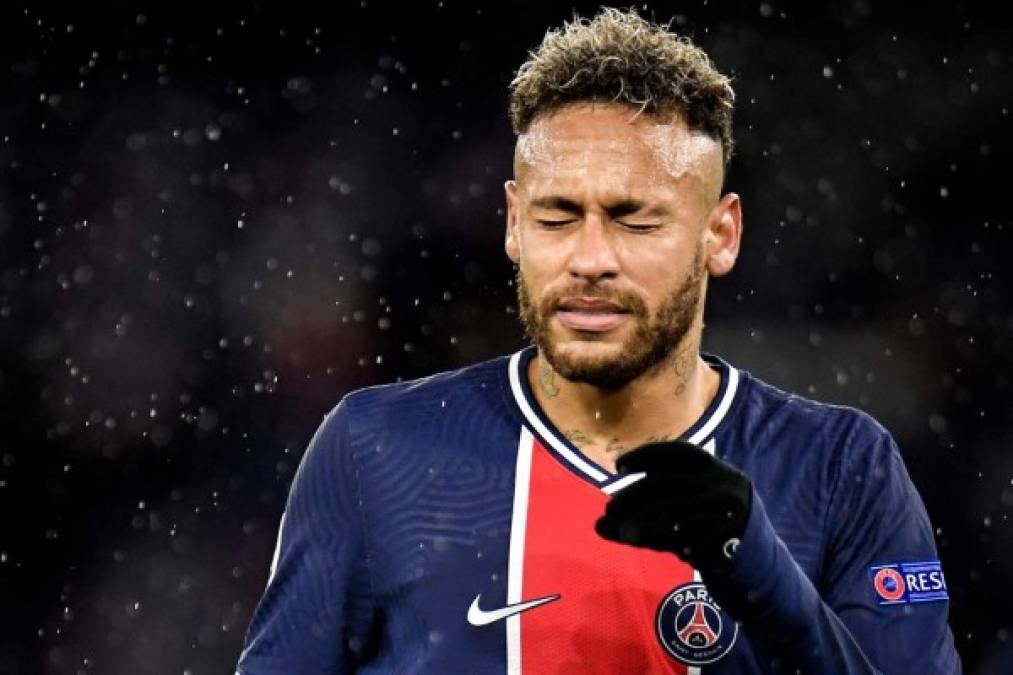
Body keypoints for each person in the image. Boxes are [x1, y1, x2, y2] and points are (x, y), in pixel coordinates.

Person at [236, 8, 961, 674]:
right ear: (513, 223)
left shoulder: (839, 467)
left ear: (720, 233)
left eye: (633, 220)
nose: (589, 258)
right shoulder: (374, 450)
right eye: (557, 217)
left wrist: (756, 568)